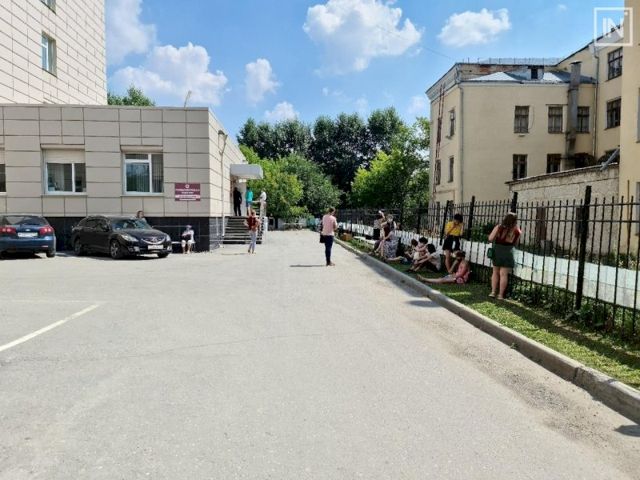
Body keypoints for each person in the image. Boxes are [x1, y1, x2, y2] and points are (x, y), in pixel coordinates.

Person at [488, 212, 521, 300]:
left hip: (498, 251)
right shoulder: (517, 230)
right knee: (504, 274)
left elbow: (490, 238)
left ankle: (493, 292)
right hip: (508, 252)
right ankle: (501, 295)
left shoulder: (499, 227)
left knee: (495, 272)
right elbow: (516, 244)